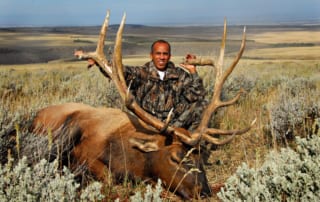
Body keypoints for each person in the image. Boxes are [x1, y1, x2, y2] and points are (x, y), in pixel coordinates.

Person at [75, 39, 207, 131]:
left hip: (174, 125)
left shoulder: (179, 75)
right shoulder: (141, 73)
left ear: (169, 56)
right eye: (158, 53)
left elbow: (197, 95)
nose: (162, 57)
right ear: (151, 55)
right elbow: (119, 71)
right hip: (147, 125)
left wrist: (193, 71)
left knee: (202, 105)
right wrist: (99, 62)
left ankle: (192, 146)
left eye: (165, 54)